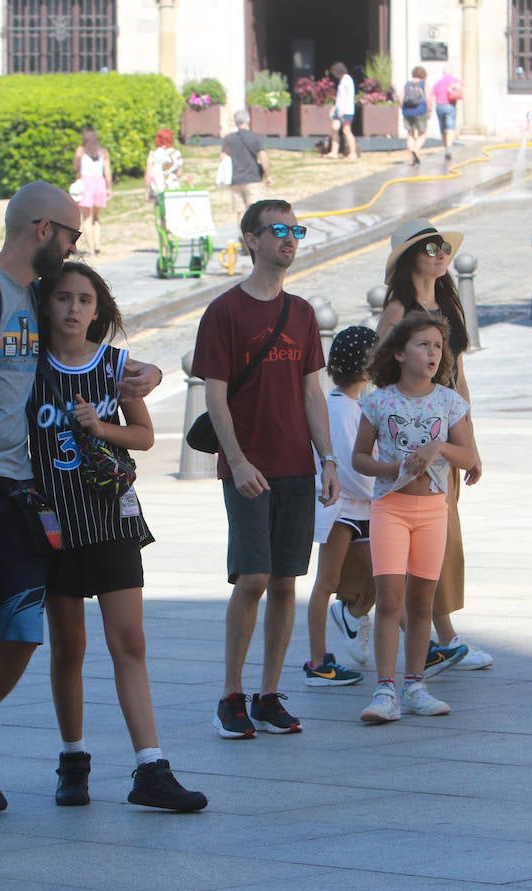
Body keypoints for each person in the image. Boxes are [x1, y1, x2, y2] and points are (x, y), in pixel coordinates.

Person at [0, 181, 160, 823]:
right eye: (71, 234)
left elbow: (84, 351)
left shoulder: (34, 297)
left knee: (19, 627)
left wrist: (140, 376)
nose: (74, 245)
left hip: (10, 489)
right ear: (43, 230)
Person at [28, 262, 206, 812]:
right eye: (64, 298)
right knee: (69, 647)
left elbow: (146, 436)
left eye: (85, 300)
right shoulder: (28, 368)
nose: (75, 309)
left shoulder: (117, 367)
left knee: (129, 640)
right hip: (53, 522)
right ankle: (73, 758)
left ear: (99, 311)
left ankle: (150, 765)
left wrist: (99, 426)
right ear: (47, 306)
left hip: (112, 520)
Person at [190, 199, 339, 740]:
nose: (290, 239)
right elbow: (216, 395)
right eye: (278, 230)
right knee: (251, 577)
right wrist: (236, 460)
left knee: (284, 582)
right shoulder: (225, 311)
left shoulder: (301, 313)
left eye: (296, 230)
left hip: (296, 465)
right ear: (251, 240)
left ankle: (268, 694)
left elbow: (311, 393)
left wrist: (328, 460)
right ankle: (230, 695)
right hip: (248, 467)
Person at [367, 219, 489, 673]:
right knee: (429, 538)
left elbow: (458, 375)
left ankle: (360, 607)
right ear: (409, 256)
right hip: (407, 441)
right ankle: (444, 637)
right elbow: (379, 373)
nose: (440, 254)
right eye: (430, 247)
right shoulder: (398, 308)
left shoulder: (450, 304)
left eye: (444, 247)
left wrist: (469, 441)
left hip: (445, 435)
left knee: (442, 539)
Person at [354, 313, 479, 724]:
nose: (432, 353)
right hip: (390, 507)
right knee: (390, 598)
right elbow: (360, 457)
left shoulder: (448, 401)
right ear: (399, 352)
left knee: (423, 600)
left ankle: (415, 684)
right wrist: (392, 468)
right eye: (423, 345)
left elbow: (469, 457)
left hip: (432, 510)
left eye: (438, 347)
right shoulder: (377, 400)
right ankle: (385, 690)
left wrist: (438, 447)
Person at [302, 325, 379, 686]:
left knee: (386, 576)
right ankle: (318, 662)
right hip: (343, 510)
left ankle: (420, 647)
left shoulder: (353, 406)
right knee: (326, 582)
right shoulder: (342, 408)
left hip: (361, 508)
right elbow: (349, 466)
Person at [220, 110, 274, 239]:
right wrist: (268, 176)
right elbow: (263, 158)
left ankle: (244, 236)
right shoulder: (255, 138)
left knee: (240, 212)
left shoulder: (228, 139)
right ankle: (256, 237)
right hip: (252, 178)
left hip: (235, 180)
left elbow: (222, 157)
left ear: (235, 122)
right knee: (255, 210)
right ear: (248, 121)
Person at [73, 127, 112, 257]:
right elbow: (107, 171)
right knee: (96, 217)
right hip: (99, 183)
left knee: (86, 218)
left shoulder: (81, 151)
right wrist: (109, 187)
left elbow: (75, 167)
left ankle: (90, 249)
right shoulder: (103, 152)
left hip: (86, 184)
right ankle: (98, 245)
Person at [144, 127, 186, 208]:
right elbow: (179, 173)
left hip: (158, 188)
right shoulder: (176, 153)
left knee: (160, 213)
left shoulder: (153, 155)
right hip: (173, 187)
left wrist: (147, 190)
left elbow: (148, 174)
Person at [326, 62, 358, 160]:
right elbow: (340, 96)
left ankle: (353, 153)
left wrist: (343, 109)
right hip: (339, 109)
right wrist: (335, 107)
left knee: (346, 130)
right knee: (334, 128)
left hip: (346, 110)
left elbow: (348, 96)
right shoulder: (342, 81)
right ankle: (334, 152)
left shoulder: (347, 79)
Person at [401, 65, 431, 166]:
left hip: (407, 111)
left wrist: (403, 109)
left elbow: (400, 98)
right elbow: (428, 98)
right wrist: (429, 110)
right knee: (422, 134)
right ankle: (416, 149)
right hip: (420, 111)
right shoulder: (423, 84)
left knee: (410, 134)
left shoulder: (407, 84)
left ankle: (412, 158)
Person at [431, 68, 462, 159]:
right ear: (451, 73)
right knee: (450, 128)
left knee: (443, 128)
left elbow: (433, 95)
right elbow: (462, 91)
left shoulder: (438, 83)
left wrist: (431, 109)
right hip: (450, 105)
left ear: (443, 73)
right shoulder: (456, 81)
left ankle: (445, 148)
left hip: (439, 106)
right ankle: (448, 149)